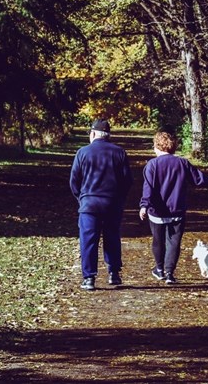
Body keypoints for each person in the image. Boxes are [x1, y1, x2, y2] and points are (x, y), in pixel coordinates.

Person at [139, 131, 208, 284]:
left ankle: (159, 269)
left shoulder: (152, 165)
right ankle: (169, 273)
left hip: (157, 212)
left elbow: (148, 188)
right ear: (173, 147)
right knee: (174, 242)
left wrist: (144, 206)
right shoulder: (182, 163)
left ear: (156, 146)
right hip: (177, 210)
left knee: (158, 241)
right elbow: (198, 179)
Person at [70, 119, 133, 291]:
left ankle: (89, 278)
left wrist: (81, 198)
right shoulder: (119, 153)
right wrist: (119, 199)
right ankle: (114, 273)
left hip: (89, 204)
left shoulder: (82, 153)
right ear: (108, 135)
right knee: (112, 237)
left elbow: (74, 181)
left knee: (88, 241)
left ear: (92, 134)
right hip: (112, 203)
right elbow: (127, 180)